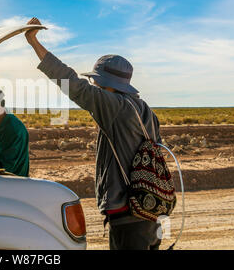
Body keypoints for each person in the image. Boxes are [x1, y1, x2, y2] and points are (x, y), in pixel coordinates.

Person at [24, 17, 162, 250]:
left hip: (127, 212)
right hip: (150, 207)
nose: (94, 86)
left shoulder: (113, 105)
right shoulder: (144, 108)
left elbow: (72, 83)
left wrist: (34, 43)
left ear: (105, 83)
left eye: (96, 82)